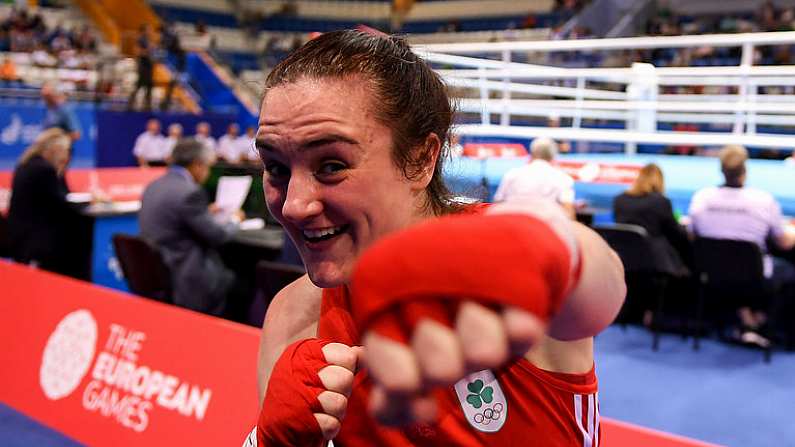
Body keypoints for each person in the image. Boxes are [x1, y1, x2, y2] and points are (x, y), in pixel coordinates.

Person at [247, 30, 625, 447]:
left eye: (332, 165)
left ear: (420, 159)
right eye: (277, 168)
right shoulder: (292, 317)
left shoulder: (504, 267)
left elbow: (599, 286)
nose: (294, 206)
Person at [689, 145, 795, 346]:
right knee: (787, 271)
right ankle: (762, 321)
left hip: (712, 273)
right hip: (753, 275)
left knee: (737, 266)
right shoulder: (763, 200)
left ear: (721, 170)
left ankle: (746, 317)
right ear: (744, 171)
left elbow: (692, 235)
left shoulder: (701, 198)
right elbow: (784, 242)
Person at [139, 138, 240, 317]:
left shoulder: (153, 186)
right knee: (241, 278)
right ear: (197, 165)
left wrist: (205, 211)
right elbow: (219, 236)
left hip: (159, 273)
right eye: (207, 166)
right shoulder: (189, 192)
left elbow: (176, 218)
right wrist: (235, 221)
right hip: (187, 278)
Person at [7, 128, 90, 279]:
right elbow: (62, 204)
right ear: (55, 150)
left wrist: (61, 170)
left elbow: (62, 195)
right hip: (36, 241)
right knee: (80, 232)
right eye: (65, 151)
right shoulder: (43, 170)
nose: (67, 157)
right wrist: (90, 202)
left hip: (21, 235)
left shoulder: (28, 164)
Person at [613, 163, 690, 277]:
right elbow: (675, 234)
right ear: (660, 181)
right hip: (655, 265)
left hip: (624, 262)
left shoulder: (619, 200)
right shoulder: (661, 202)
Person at [493, 137, 576, 218]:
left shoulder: (512, 174)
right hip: (545, 226)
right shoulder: (563, 178)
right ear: (553, 156)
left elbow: (498, 203)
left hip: (514, 225)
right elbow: (568, 212)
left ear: (532, 153)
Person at [127, 25, 154, 111]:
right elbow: (137, 52)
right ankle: (131, 104)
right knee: (139, 85)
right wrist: (148, 50)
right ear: (143, 31)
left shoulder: (147, 40)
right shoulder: (140, 39)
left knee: (149, 85)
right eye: (148, 30)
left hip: (148, 65)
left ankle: (147, 105)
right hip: (143, 65)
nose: (150, 31)